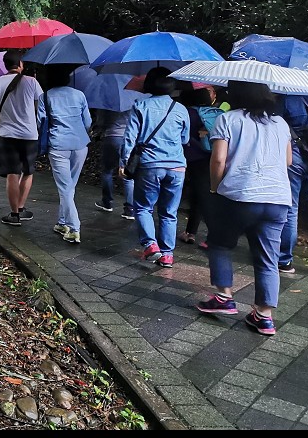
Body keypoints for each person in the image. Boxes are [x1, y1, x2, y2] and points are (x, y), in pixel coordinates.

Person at [196, 80, 293, 336]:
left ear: (235, 93)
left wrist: (215, 188)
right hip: (278, 199)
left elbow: (218, 159)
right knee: (268, 259)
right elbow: (288, 160)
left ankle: (224, 296)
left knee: (219, 243)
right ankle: (264, 316)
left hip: (240, 196)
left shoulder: (228, 119)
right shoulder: (280, 123)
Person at [120, 74, 190, 267]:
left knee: (143, 206)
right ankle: (167, 254)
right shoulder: (181, 109)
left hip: (150, 164)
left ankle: (151, 244)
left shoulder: (141, 106)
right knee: (169, 211)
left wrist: (124, 162)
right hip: (177, 166)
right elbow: (184, 139)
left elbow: (130, 138)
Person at [0, 50, 44, 225]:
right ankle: (21, 207)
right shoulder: (32, 82)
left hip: (7, 134)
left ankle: (14, 215)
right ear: (20, 65)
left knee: (12, 173)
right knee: (27, 172)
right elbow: (38, 106)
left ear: (5, 66)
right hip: (29, 134)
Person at [276, 88, 308, 277]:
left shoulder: (287, 99)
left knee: (291, 208)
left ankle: (284, 259)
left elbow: (276, 125)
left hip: (294, 157)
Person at [39, 65, 92, 244]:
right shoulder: (79, 95)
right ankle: (62, 222)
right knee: (70, 186)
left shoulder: (45, 97)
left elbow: (41, 122)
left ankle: (74, 228)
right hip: (80, 144)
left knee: (65, 188)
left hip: (58, 145)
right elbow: (88, 122)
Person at [178, 87, 222, 249]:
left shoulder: (187, 112)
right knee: (202, 195)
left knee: (197, 196)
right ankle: (191, 232)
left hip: (185, 157)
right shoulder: (216, 113)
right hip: (208, 157)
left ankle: (211, 236)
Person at [93, 108, 136, 219]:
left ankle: (107, 202)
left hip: (112, 136)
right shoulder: (133, 101)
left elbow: (101, 122)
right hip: (129, 138)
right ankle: (130, 209)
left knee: (107, 170)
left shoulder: (108, 103)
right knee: (128, 174)